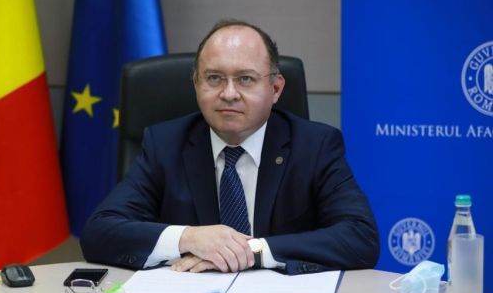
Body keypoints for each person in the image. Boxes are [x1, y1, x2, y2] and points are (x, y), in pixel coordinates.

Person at [80, 19, 379, 275]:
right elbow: (99, 232)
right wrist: (190, 238)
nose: (229, 94)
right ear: (196, 84)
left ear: (275, 89)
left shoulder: (314, 146)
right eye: (214, 78)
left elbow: (360, 238)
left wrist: (252, 251)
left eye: (245, 79)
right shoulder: (165, 144)